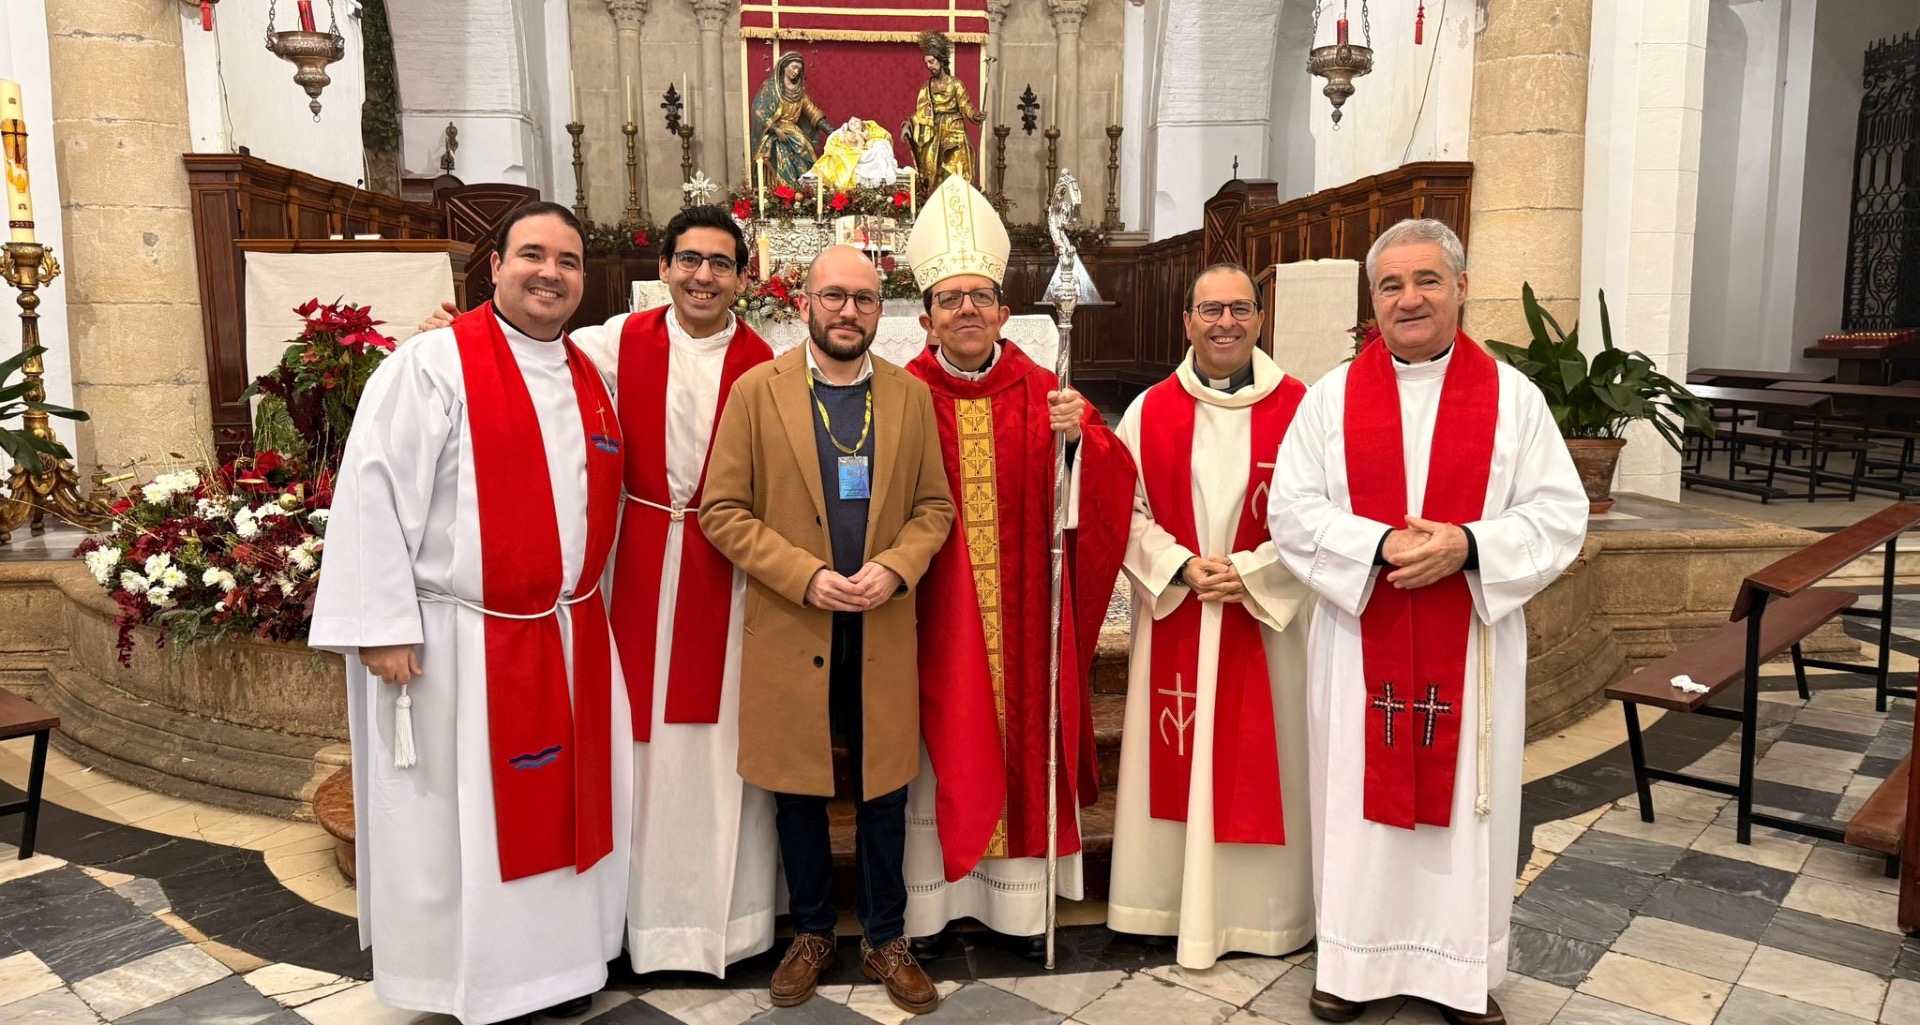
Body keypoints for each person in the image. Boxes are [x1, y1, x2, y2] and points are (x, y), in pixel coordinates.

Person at [310, 202, 629, 1025]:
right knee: (465, 826)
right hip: (460, 646)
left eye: (567, 259)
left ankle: (560, 968)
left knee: (565, 813)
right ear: (494, 266)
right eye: (532, 254)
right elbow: (374, 488)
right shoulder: (434, 364)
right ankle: (473, 980)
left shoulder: (588, 375)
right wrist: (382, 625)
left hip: (565, 633)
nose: (549, 272)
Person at [1268, 219, 1588, 1025]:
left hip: (1469, 645)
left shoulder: (1513, 398)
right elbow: (1292, 510)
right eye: (1391, 285)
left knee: (1462, 808)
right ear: (1371, 300)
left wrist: (1469, 545)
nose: (1409, 299)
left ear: (1461, 287)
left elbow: (1559, 512)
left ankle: (1458, 972)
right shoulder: (1331, 399)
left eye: (1427, 281)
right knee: (1353, 800)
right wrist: (1378, 544)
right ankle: (1349, 961)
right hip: (1361, 638)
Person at [700, 245, 955, 1015]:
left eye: (866, 300)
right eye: (835, 297)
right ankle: (810, 931)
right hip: (794, 617)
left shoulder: (908, 397)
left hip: (879, 622)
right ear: (805, 301)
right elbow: (722, 510)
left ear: (886, 309)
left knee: (884, 785)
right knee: (796, 788)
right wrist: (804, 574)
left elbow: (934, 508)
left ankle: (884, 935)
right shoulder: (757, 391)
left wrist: (899, 565)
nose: (850, 312)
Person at [896, 174, 1135, 958]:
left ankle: (1018, 908)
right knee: (941, 744)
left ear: (1006, 311)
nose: (966, 309)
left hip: (1028, 626)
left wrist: (1079, 443)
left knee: (1023, 735)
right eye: (950, 296)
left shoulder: (1049, 390)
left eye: (981, 296)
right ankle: (933, 909)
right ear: (926, 315)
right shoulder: (898, 398)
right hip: (933, 624)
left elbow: (1105, 492)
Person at [575, 206, 778, 977]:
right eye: (689, 259)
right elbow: (525, 352)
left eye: (721, 263)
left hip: (724, 576)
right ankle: (632, 921)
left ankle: (725, 922)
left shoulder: (765, 364)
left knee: (717, 743)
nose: (703, 275)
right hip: (635, 559)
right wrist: (454, 329)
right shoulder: (615, 343)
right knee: (635, 742)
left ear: (741, 278)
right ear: (661, 268)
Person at [1106, 263, 1316, 970]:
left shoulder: (1303, 409)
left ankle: (1264, 914)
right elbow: (1122, 512)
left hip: (1266, 621)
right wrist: (1180, 566)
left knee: (1267, 754)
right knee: (1178, 756)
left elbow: (1326, 517)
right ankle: (1162, 901)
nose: (1224, 322)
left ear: (1260, 319)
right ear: (1187, 321)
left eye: (1238, 309)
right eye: (1209, 310)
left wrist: (1253, 570)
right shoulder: (1151, 410)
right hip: (1182, 610)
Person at [903, 30, 983, 201]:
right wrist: (908, 125)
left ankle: (959, 202)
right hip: (935, 132)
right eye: (927, 64)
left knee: (956, 168)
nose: (930, 66)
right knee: (935, 173)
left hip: (955, 130)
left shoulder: (956, 84)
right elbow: (921, 112)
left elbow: (965, 105)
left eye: (932, 62)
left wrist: (975, 116)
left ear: (940, 60)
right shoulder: (927, 87)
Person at [751, 52, 831, 192]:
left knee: (805, 159)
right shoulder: (771, 88)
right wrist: (775, 128)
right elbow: (759, 111)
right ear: (784, 66)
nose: (796, 72)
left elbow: (813, 112)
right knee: (779, 156)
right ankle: (782, 194)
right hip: (775, 134)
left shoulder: (799, 93)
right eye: (794, 67)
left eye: (799, 70)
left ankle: (802, 195)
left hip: (795, 134)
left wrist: (830, 130)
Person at [808, 117, 899, 193]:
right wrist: (853, 138)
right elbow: (846, 142)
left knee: (877, 149)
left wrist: (867, 137)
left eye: (856, 121)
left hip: (866, 147)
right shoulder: (850, 134)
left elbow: (871, 139)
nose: (854, 123)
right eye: (851, 123)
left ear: (861, 124)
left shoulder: (866, 132)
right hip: (854, 150)